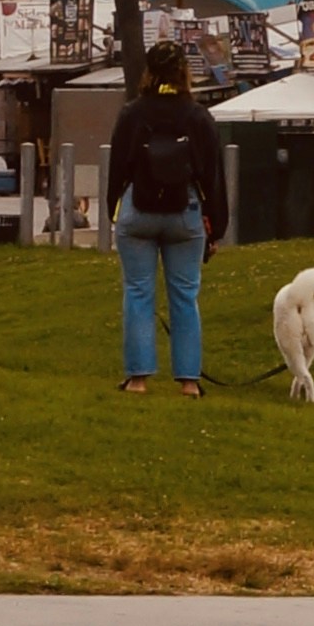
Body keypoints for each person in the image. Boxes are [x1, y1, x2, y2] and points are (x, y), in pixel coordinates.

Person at [108, 37, 227, 396]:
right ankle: (189, 381)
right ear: (183, 72)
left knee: (138, 291)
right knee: (185, 295)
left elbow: (117, 169)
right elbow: (214, 176)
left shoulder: (133, 113)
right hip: (185, 213)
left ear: (149, 71)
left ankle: (138, 378)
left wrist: (116, 212)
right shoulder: (197, 116)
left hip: (138, 210)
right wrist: (216, 228)